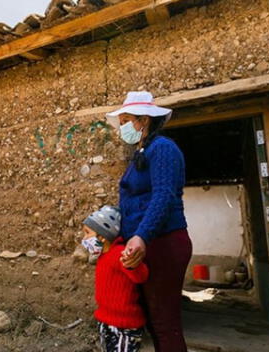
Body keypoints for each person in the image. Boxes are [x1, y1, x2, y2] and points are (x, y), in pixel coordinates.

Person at [106, 92, 192, 352]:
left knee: (165, 324)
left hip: (162, 242)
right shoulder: (143, 152)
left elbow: (163, 196)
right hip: (147, 244)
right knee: (154, 322)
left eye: (125, 120)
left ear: (143, 120)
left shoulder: (162, 148)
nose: (122, 127)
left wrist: (141, 235)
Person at [81, 206, 149, 352]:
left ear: (102, 237)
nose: (84, 238)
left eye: (87, 233)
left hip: (124, 326)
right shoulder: (103, 256)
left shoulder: (119, 253)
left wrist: (132, 264)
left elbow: (141, 276)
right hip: (106, 321)